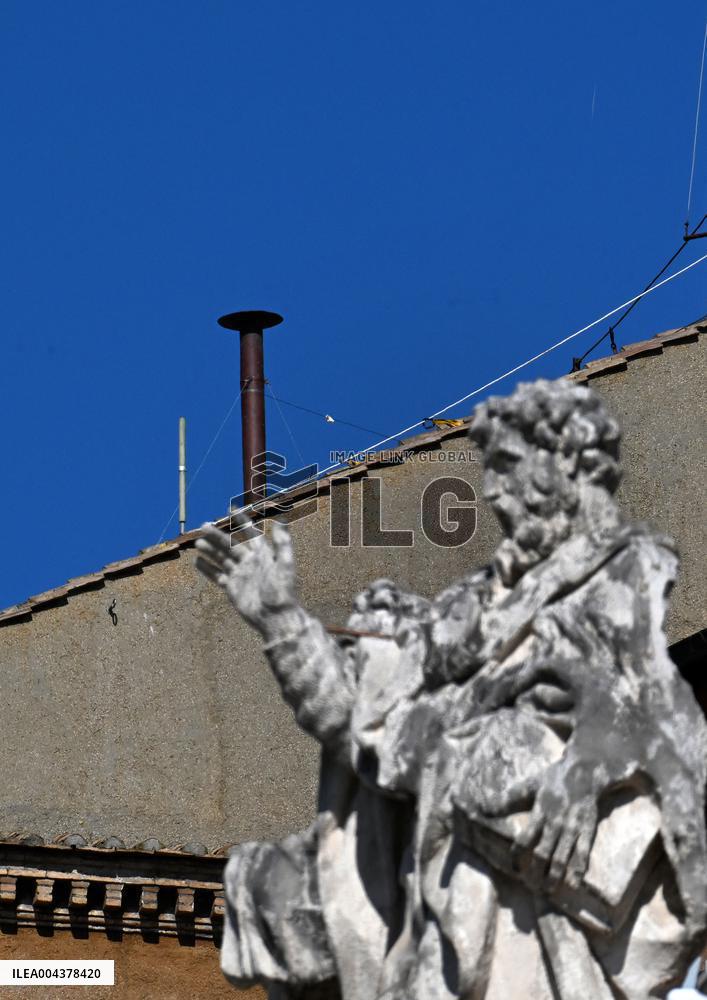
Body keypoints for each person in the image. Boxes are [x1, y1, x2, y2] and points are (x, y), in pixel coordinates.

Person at [196, 379, 707, 1000]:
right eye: (489, 471)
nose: (493, 493)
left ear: (569, 462)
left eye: (509, 467)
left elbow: (666, 718)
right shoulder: (474, 607)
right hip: (446, 893)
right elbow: (364, 723)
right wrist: (281, 621)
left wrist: (585, 767)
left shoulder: (626, 573)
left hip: (538, 901)